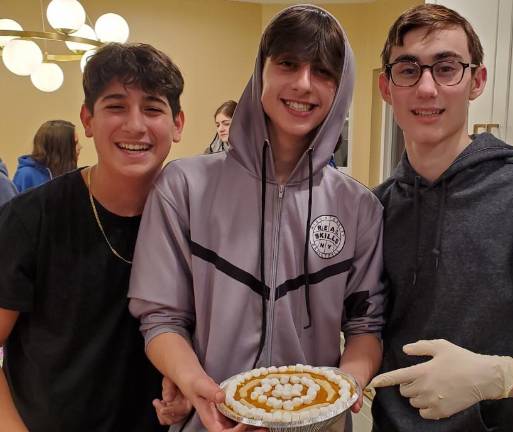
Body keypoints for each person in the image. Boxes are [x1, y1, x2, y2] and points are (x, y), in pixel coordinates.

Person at [128, 5, 385, 432]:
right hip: (211, 421)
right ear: (260, 70)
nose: (303, 83)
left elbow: (365, 325)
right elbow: (161, 317)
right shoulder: (185, 187)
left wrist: (344, 386)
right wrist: (195, 385)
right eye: (287, 63)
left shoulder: (359, 207)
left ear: (341, 89)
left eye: (323, 72)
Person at [369, 4, 513, 431]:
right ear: (387, 87)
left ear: (476, 81)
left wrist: (496, 376)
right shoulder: (375, 208)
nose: (427, 89)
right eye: (408, 70)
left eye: (446, 68)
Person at [0, 42, 185, 431]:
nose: (135, 125)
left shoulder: (192, 220)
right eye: (116, 106)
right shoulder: (31, 216)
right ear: (87, 120)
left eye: (152, 108)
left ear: (178, 124)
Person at [13, 119, 81, 192]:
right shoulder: (25, 176)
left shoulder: (70, 174)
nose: (80, 147)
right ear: (59, 147)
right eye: (75, 143)